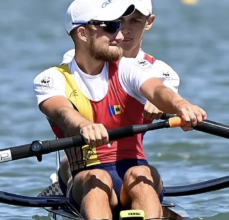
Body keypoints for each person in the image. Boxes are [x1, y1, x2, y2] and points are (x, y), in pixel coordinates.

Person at [33, 0, 207, 219]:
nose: (120, 35)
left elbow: (157, 91)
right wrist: (84, 125)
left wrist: (181, 105)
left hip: (134, 172)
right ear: (83, 34)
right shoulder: (51, 79)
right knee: (97, 177)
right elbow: (62, 111)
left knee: (141, 175)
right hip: (85, 177)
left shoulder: (128, 68)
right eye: (111, 26)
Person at [58, 0, 180, 200]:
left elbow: (162, 94)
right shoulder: (78, 58)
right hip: (85, 163)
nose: (124, 29)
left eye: (135, 21)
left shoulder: (163, 72)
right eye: (118, 21)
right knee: (68, 163)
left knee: (143, 174)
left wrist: (165, 103)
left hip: (128, 164)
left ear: (149, 22)